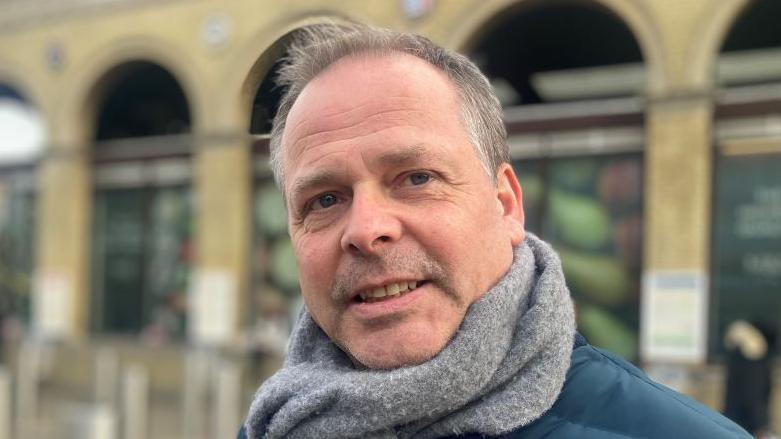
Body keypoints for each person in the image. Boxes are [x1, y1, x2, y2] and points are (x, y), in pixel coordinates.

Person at [239, 23, 750, 438]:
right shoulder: (278, 425)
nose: (367, 229)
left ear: (505, 204)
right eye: (325, 200)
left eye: (417, 178)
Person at [724, 320, 778, 438]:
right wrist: (760, 426)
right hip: (747, 428)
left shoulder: (739, 354)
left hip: (732, 423)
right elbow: (753, 395)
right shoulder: (754, 359)